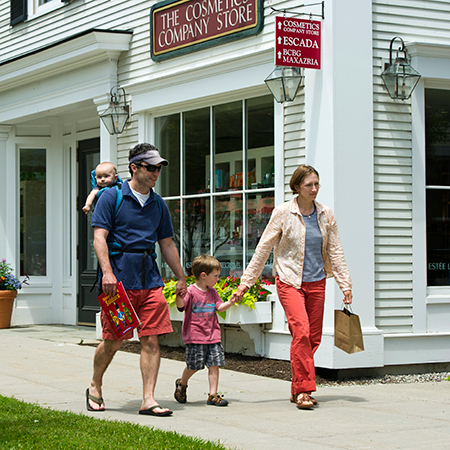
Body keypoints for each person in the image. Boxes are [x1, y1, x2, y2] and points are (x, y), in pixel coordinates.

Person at [233, 164, 352, 410]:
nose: (314, 189)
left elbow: (335, 250)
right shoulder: (283, 212)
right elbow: (263, 249)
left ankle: (297, 385)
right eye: (309, 185)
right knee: (302, 332)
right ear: (296, 187)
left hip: (317, 282)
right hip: (289, 281)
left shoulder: (325, 213)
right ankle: (304, 391)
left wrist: (345, 285)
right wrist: (246, 283)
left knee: (314, 338)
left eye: (317, 184)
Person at [86, 143, 187, 416]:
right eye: (150, 167)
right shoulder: (111, 197)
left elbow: (166, 244)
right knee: (114, 340)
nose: (156, 173)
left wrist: (181, 277)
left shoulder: (158, 204)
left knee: (152, 340)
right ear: (134, 167)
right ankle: (95, 384)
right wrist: (107, 272)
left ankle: (148, 399)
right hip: (117, 282)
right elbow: (99, 238)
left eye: (158, 168)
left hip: (150, 280)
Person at [174, 255, 235, 407]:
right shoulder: (191, 291)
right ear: (203, 275)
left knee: (215, 364)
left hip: (213, 335)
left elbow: (218, 307)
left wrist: (230, 302)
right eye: (215, 275)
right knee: (194, 365)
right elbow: (181, 307)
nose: (217, 278)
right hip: (195, 336)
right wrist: (178, 296)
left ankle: (213, 395)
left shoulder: (213, 292)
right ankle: (182, 383)